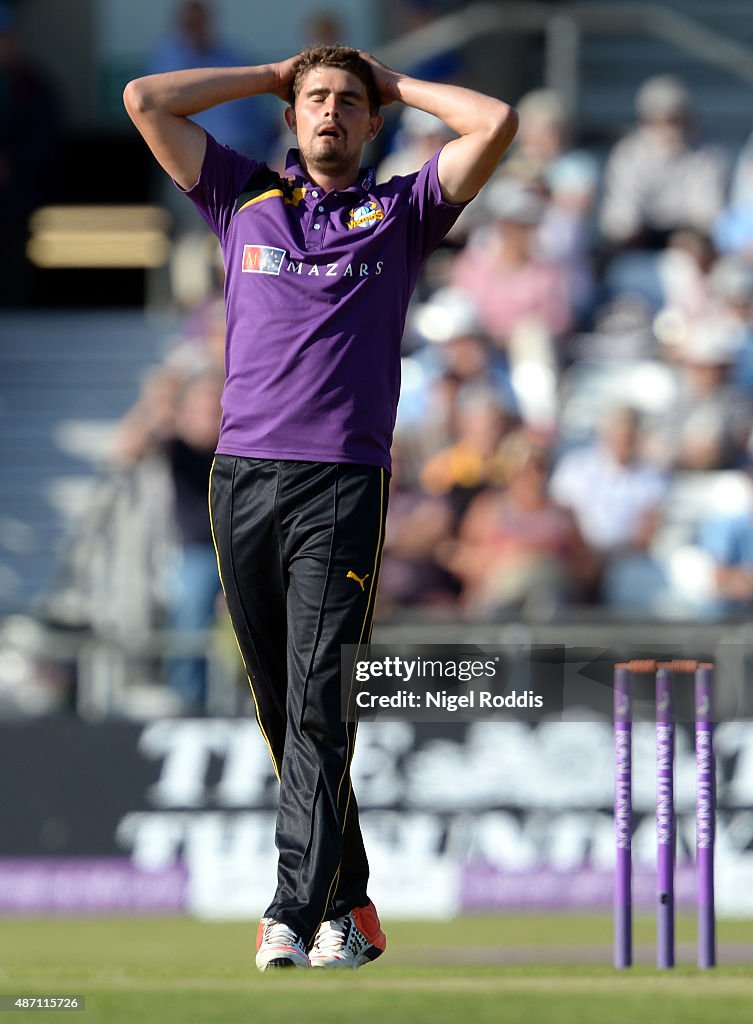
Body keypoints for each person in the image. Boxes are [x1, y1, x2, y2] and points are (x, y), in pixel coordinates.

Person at [124, 45, 517, 970]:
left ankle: (291, 910)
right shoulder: (241, 198)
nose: (330, 113)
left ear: (372, 122)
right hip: (240, 480)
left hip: (339, 481)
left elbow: (493, 123)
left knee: (317, 702)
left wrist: (396, 82)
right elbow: (145, 99)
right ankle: (354, 900)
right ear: (293, 119)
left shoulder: (402, 213)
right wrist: (268, 75)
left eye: (347, 102)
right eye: (315, 101)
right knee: (280, 705)